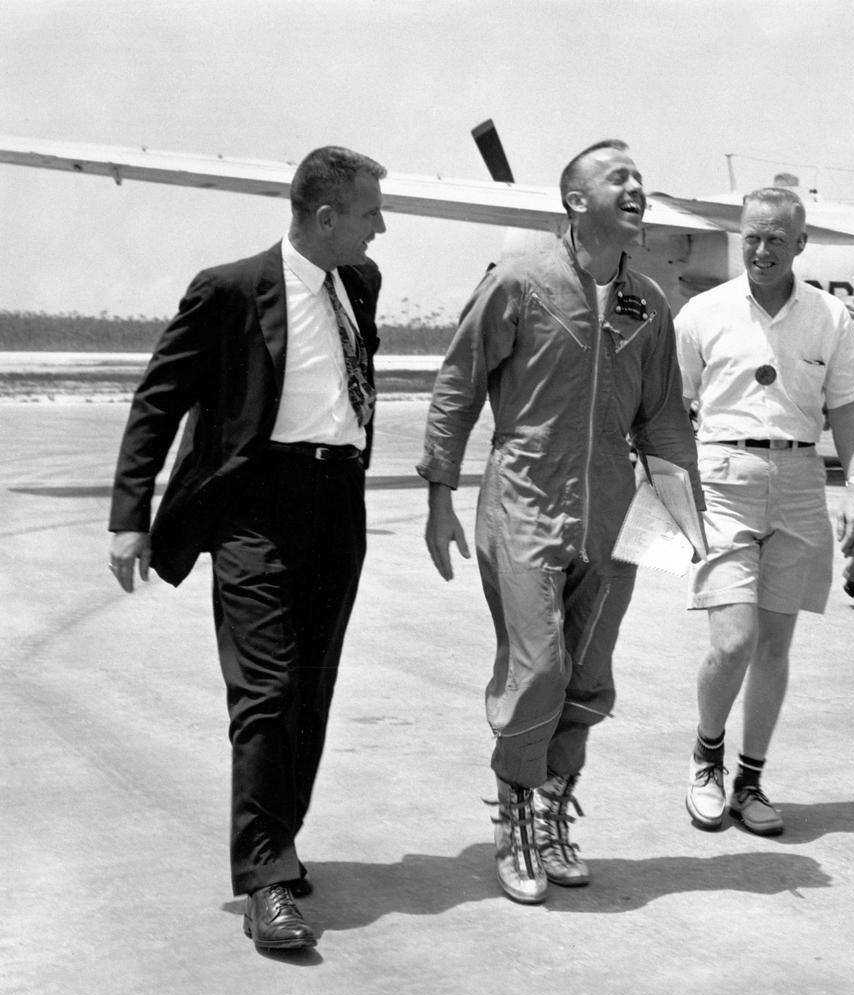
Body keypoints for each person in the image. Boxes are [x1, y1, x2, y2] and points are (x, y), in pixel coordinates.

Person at [107, 147, 388, 950]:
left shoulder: (357, 285)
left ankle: (281, 840)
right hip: (254, 506)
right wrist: (130, 512)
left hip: (337, 501)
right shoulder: (230, 289)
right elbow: (159, 399)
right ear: (326, 217)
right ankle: (266, 876)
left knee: (311, 688)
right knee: (263, 691)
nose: (381, 227)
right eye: (371, 213)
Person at [419, 140, 701, 905]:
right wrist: (440, 490)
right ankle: (513, 813)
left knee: (586, 675)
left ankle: (551, 816)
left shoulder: (648, 304)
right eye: (620, 178)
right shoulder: (520, 280)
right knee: (538, 665)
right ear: (577, 201)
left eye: (641, 177)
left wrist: (688, 516)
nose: (638, 187)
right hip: (525, 501)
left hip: (612, 512)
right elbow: (458, 383)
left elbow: (667, 422)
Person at [677, 188, 854, 836]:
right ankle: (706, 757)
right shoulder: (702, 313)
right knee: (732, 640)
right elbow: (670, 407)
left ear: (800, 243)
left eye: (775, 239)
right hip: (723, 477)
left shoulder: (829, 317)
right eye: (751, 237)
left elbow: (847, 407)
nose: (762, 250)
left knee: (774, 645)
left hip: (798, 480)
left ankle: (750, 778)